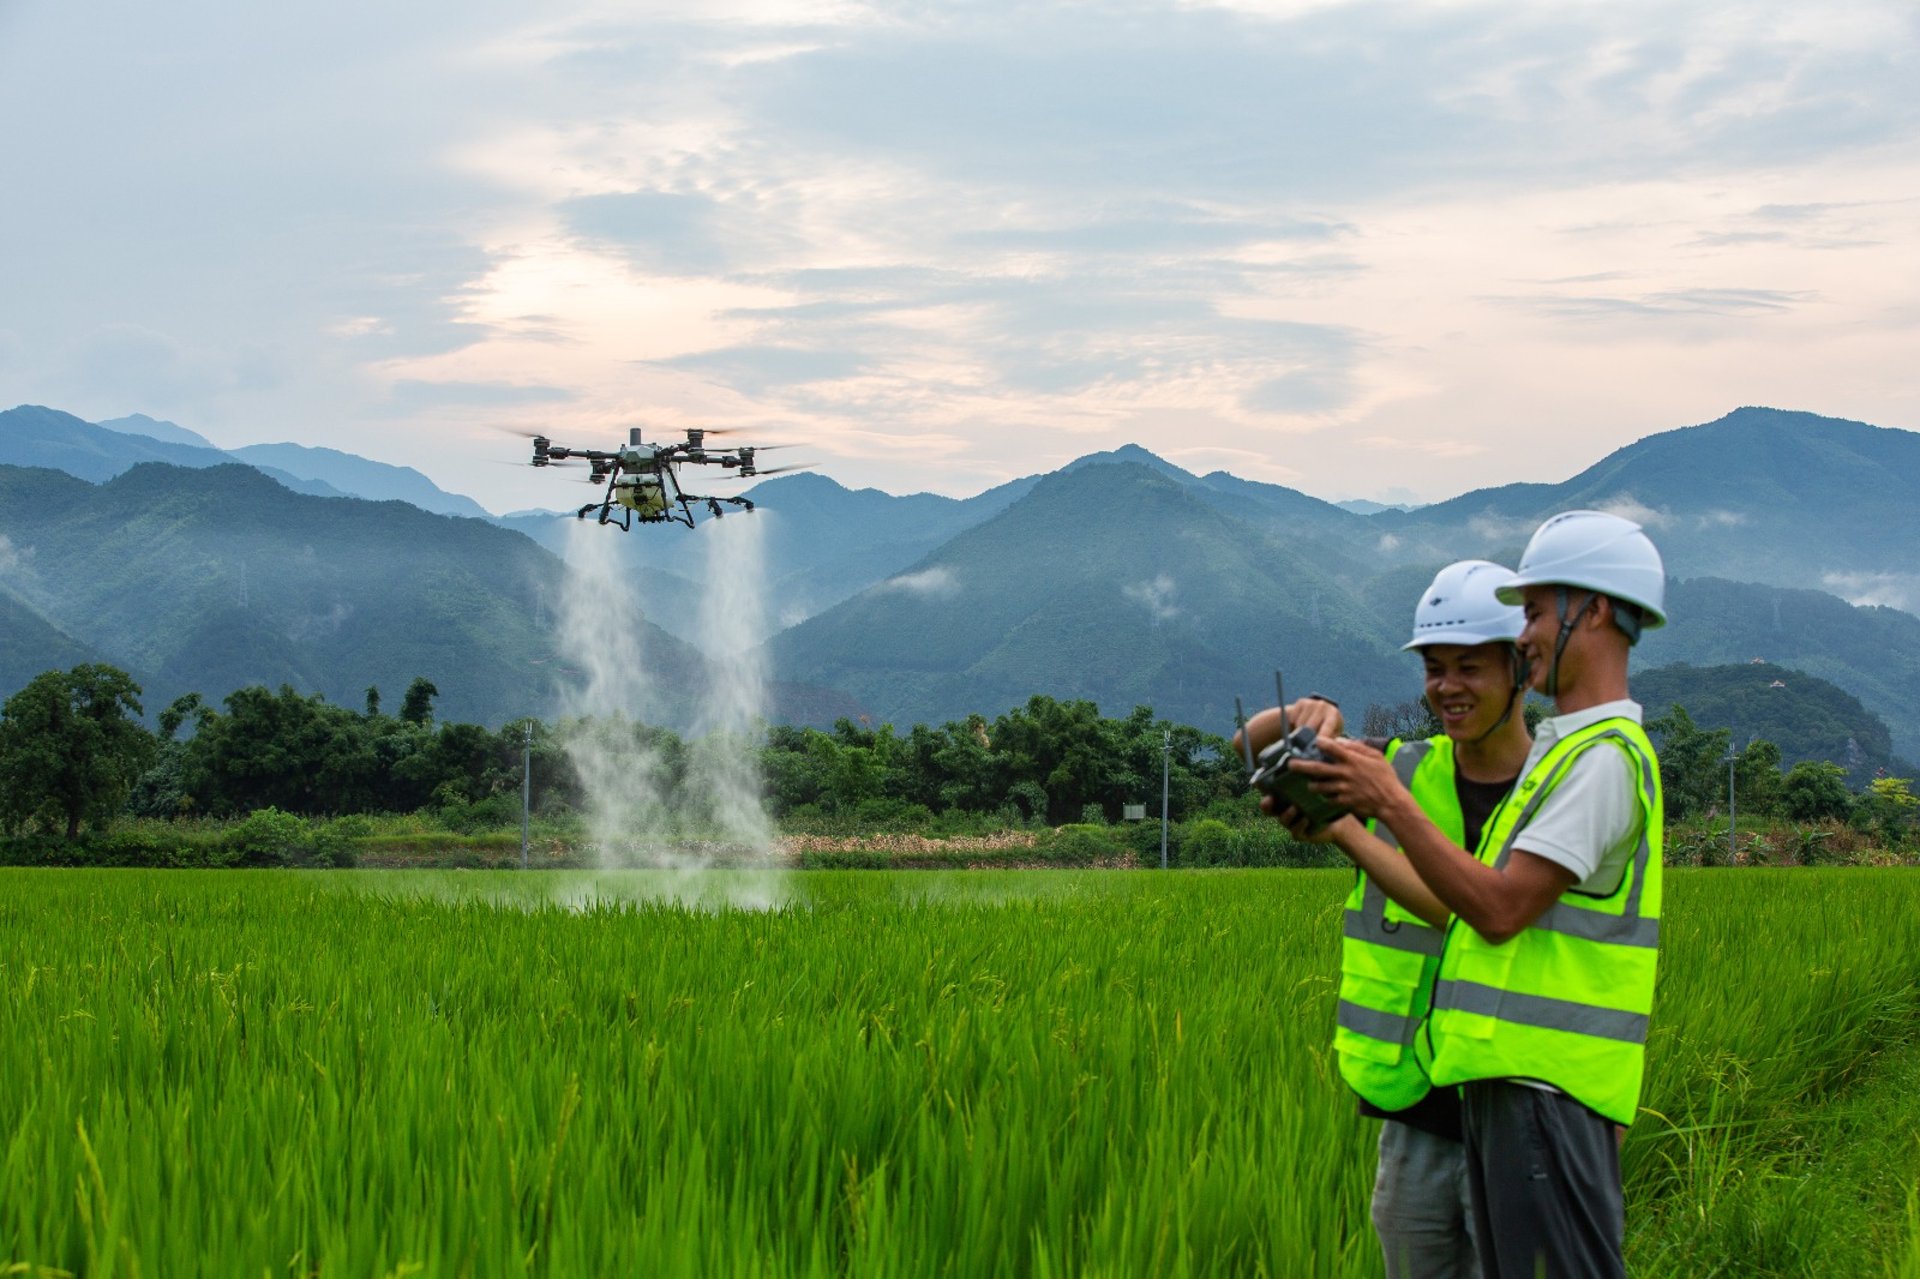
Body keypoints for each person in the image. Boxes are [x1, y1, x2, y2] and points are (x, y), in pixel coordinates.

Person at [1290, 511, 1666, 1279]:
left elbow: (1495, 910)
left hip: (1548, 1092)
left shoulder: (1600, 760)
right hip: (1507, 1090)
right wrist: (1350, 820)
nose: (1525, 636)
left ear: (1590, 610)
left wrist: (1389, 805)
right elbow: (1458, 905)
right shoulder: (1570, 755)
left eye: (1531, 612)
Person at [1240, 560, 1533, 1279]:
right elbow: (1250, 745)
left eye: (1470, 665)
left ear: (1521, 666)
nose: (1448, 687)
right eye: (1435, 668)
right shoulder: (1406, 768)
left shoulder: (1557, 786)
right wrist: (1309, 712)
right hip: (1417, 1113)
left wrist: (1347, 830)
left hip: (1522, 1111)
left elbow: (1473, 912)